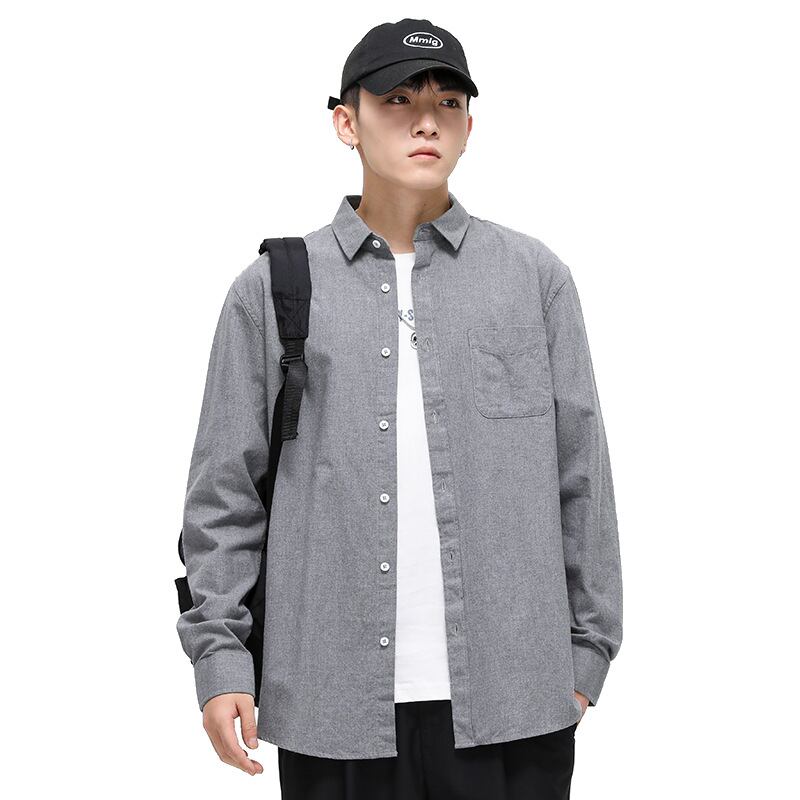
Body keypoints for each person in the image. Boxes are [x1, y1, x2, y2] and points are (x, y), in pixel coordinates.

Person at [176, 17, 623, 800]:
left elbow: (581, 475)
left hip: (516, 700)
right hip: (330, 702)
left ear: (469, 127)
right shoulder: (272, 289)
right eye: (397, 100)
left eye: (448, 102)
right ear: (346, 122)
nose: (426, 121)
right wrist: (221, 661)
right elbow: (224, 494)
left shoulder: (533, 279)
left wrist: (587, 657)